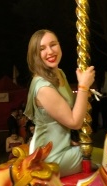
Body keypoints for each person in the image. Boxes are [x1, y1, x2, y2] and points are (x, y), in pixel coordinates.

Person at [23, 29, 95, 177]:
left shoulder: (59, 74)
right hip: (50, 156)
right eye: (42, 49)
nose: (50, 51)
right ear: (35, 55)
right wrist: (83, 87)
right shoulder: (43, 87)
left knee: (105, 154)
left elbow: (72, 109)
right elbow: (74, 122)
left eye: (53, 45)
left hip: (63, 146)